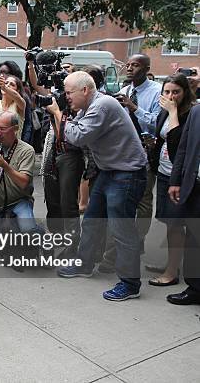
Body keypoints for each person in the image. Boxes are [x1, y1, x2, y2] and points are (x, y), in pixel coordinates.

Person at [46, 71, 147, 301]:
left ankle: (130, 284)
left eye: (69, 92)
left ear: (85, 90)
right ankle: (84, 265)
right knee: (91, 220)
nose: (66, 96)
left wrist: (58, 113)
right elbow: (68, 133)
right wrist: (59, 114)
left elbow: (77, 137)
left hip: (127, 173)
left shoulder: (102, 106)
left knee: (121, 229)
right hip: (110, 171)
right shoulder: (87, 108)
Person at [101, 54, 162, 272]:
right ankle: (123, 247)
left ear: (146, 68)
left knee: (143, 203)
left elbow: (158, 122)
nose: (129, 68)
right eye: (128, 64)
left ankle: (136, 241)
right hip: (122, 153)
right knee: (120, 203)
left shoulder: (156, 91)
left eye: (135, 65)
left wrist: (134, 107)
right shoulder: (124, 91)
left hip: (146, 153)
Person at [148, 74, 195, 286]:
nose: (170, 96)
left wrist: (173, 111)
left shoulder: (189, 114)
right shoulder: (163, 112)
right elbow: (161, 138)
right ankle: (172, 263)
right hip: (165, 173)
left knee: (176, 225)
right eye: (166, 91)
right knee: (169, 222)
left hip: (182, 176)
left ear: (185, 92)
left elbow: (178, 143)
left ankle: (172, 272)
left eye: (176, 91)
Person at [0, 112, 39, 233]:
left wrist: (5, 166)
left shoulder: (26, 150)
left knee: (28, 230)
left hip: (19, 201)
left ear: (15, 129)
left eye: (3, 129)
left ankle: (40, 236)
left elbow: (24, 183)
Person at [166, 104, 200, 305]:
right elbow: (184, 148)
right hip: (195, 186)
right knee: (195, 238)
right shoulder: (196, 112)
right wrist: (175, 181)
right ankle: (196, 288)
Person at [0, 75, 27, 142]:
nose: (7, 85)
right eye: (6, 83)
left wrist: (4, 87)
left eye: (12, 84)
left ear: (17, 90)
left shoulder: (20, 105)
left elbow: (17, 97)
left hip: (13, 149)